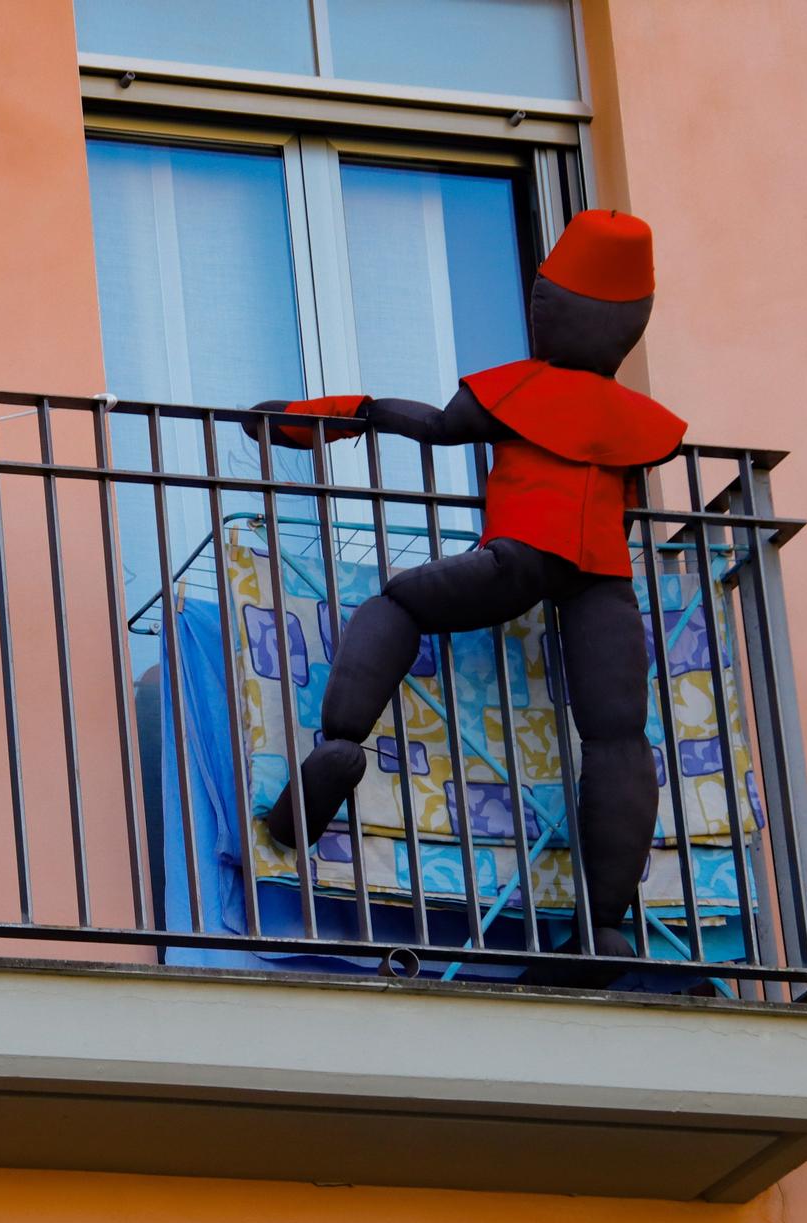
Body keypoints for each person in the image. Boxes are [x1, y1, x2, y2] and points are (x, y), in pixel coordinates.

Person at [248, 209, 686, 976]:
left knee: (400, 602)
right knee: (618, 735)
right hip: (603, 580)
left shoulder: (520, 388)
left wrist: (339, 415)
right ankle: (605, 924)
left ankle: (339, 750)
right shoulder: (636, 422)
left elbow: (438, 426)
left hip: (517, 555)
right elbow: (633, 491)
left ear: (554, 306)